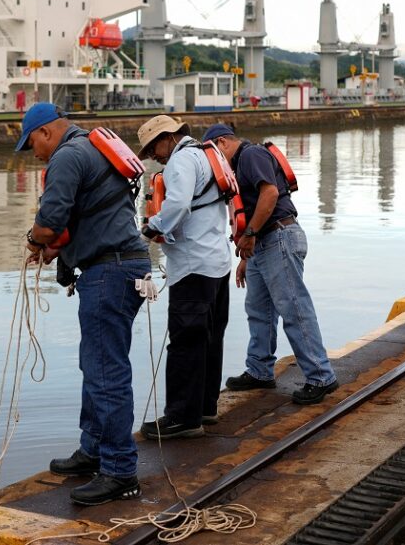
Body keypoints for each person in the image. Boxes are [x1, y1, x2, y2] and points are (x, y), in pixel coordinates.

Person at [16, 103, 151, 505]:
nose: (35, 153)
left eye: (32, 145)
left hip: (109, 272)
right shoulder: (90, 149)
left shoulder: (67, 156)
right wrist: (59, 251)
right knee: (96, 364)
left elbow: (50, 220)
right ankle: (93, 451)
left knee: (105, 371)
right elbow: (92, 215)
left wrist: (35, 241)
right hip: (123, 266)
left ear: (45, 133)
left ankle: (120, 471)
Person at [203, 123, 340, 405]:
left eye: (211, 153)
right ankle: (260, 370)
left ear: (222, 143)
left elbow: (270, 195)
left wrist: (250, 234)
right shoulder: (240, 162)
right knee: (258, 309)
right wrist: (246, 255)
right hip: (263, 243)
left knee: (294, 308)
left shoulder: (250, 155)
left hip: (278, 236)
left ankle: (320, 376)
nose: (213, 162)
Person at [136, 115, 233, 440]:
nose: (153, 157)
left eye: (153, 148)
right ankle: (205, 407)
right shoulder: (205, 154)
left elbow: (176, 205)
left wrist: (149, 230)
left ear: (167, 138)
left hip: (193, 266)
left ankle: (182, 417)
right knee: (210, 338)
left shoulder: (180, 161)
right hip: (216, 262)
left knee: (185, 342)